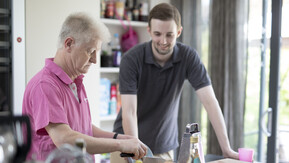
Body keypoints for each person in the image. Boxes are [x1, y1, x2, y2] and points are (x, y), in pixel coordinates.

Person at [111, 3, 239, 162]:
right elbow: (129, 112)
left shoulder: (188, 57)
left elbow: (210, 101)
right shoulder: (131, 60)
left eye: (169, 35)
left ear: (178, 32)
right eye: (157, 34)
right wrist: (134, 153)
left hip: (163, 146)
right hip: (126, 144)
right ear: (149, 31)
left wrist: (226, 149)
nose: (163, 41)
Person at [22, 12, 147, 161]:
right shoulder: (45, 86)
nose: (95, 60)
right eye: (90, 51)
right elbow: (64, 139)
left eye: (97, 52)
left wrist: (120, 138)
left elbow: (83, 129)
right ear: (69, 44)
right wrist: (120, 145)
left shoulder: (75, 81)